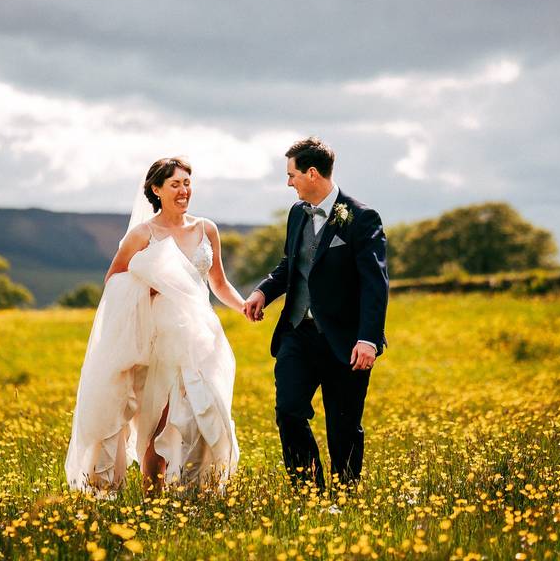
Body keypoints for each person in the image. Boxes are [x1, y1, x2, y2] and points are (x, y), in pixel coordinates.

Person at [64, 157, 243, 495]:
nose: (184, 190)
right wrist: (149, 284)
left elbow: (218, 282)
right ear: (156, 190)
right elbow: (113, 280)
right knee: (157, 422)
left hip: (199, 337)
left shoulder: (206, 229)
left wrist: (244, 305)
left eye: (187, 183)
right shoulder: (142, 235)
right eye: (175, 184)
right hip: (156, 337)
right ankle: (153, 497)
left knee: (201, 414)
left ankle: (194, 492)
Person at [243, 137, 389, 491]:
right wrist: (264, 290)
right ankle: (309, 490)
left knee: (343, 425)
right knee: (289, 411)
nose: (288, 182)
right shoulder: (297, 214)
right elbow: (290, 264)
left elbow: (375, 283)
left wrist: (368, 339)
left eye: (291, 175)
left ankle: (345, 495)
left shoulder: (360, 217)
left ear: (311, 173)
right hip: (298, 333)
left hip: (346, 340)